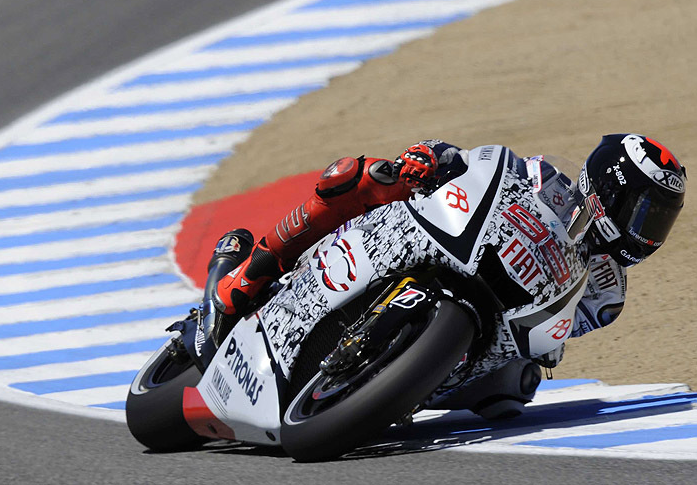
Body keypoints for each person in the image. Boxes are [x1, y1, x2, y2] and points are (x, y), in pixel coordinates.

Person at [205, 134, 687, 370]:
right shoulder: (544, 177)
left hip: (489, 336)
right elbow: (474, 166)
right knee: (364, 175)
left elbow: (549, 346)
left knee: (513, 393)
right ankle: (248, 273)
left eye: (659, 221)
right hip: (448, 245)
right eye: (644, 213)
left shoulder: (609, 293)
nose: (647, 231)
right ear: (608, 189)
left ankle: (384, 386)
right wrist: (433, 157)